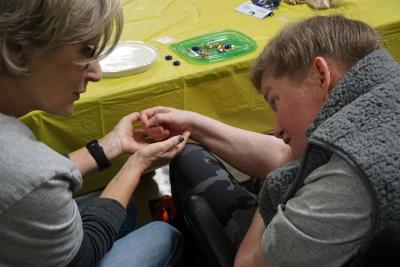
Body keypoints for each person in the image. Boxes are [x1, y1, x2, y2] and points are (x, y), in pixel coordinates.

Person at [140, 15, 400, 266]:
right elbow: (288, 156)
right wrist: (194, 125)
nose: (276, 129)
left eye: (275, 101)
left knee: (187, 162)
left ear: (321, 75)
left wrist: (275, 185)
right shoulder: (381, 101)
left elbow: (248, 264)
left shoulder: (347, 181)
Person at [0, 0, 190, 266]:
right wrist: (137, 164)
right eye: (85, 51)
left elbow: (26, 187)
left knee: (127, 209)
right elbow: (83, 256)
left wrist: (111, 145)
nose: (97, 73)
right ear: (17, 49)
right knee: (164, 233)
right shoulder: (25, 168)